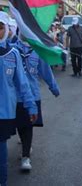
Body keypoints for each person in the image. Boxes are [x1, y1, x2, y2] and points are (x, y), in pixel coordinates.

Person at [12, 33, 60, 171]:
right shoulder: (13, 49)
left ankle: (25, 156)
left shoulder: (37, 51)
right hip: (16, 96)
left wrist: (54, 87)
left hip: (33, 95)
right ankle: (26, 145)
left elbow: (45, 71)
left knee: (28, 125)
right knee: (21, 125)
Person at [0, 12, 37, 185]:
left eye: (0, 28)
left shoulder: (13, 54)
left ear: (7, 30)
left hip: (4, 112)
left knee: (1, 152)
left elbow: (23, 84)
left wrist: (31, 106)